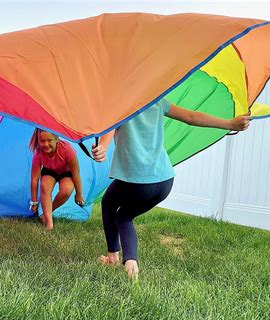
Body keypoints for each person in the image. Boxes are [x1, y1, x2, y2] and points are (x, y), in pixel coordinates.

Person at [91, 100, 251, 279]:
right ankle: (128, 261)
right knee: (120, 212)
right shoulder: (156, 101)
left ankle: (120, 260)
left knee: (116, 210)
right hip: (165, 181)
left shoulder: (120, 105)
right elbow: (192, 116)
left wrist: (102, 149)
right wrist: (230, 123)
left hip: (137, 182)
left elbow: (109, 130)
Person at [29, 128, 85, 230]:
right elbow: (34, 179)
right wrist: (34, 202)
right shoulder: (38, 154)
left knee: (66, 191)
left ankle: (46, 214)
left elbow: (75, 173)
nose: (46, 144)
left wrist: (79, 194)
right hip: (49, 171)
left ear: (57, 139)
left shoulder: (67, 149)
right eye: (42, 141)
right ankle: (49, 224)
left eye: (49, 140)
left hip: (66, 172)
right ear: (38, 140)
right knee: (44, 186)